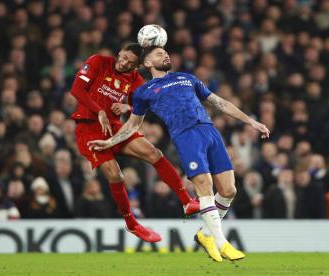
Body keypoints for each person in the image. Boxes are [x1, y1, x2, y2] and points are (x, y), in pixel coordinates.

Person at [87, 46, 270, 262]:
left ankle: (206, 234)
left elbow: (219, 102)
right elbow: (133, 125)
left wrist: (250, 121)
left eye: (165, 52)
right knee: (204, 185)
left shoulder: (187, 78)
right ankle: (222, 242)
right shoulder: (144, 92)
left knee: (229, 190)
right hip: (185, 136)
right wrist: (109, 141)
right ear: (147, 63)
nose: (165, 55)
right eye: (158, 53)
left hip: (210, 131)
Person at [70, 43, 199, 242]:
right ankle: (131, 223)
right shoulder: (98, 61)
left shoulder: (135, 80)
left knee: (154, 153)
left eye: (129, 62)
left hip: (114, 127)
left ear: (137, 66)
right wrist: (100, 111)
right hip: (88, 127)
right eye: (122, 57)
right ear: (119, 52)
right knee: (116, 174)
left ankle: (186, 201)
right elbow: (77, 89)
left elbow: (144, 105)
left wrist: (127, 106)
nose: (123, 63)